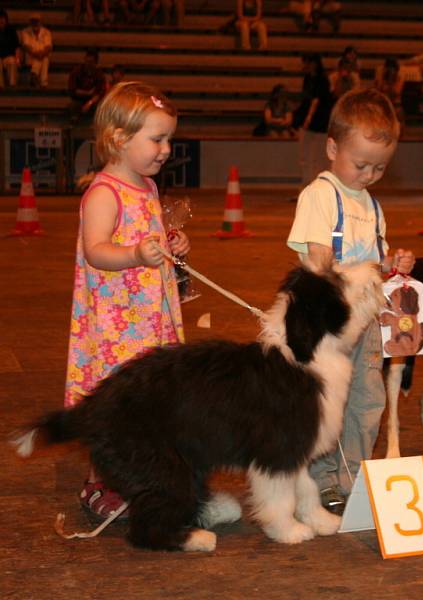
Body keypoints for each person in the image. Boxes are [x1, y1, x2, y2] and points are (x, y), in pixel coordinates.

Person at [65, 81, 190, 520]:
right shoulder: (104, 193)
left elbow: (147, 237)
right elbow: (96, 249)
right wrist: (136, 254)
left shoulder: (147, 188)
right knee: (115, 404)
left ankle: (143, 477)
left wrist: (168, 244)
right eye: (157, 139)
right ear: (119, 139)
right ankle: (98, 484)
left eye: (168, 138)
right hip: (117, 325)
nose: (166, 149)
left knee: (147, 402)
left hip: (149, 319)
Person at [286, 88, 415, 513]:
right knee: (326, 404)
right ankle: (322, 480)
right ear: (331, 148)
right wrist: (326, 264)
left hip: (369, 323)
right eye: (360, 164)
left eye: (379, 167)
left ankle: (355, 479)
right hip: (330, 327)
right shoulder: (319, 196)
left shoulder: (372, 206)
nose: (369, 175)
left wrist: (393, 262)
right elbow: (318, 259)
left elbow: (373, 260)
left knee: (367, 401)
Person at [293, 53, 334, 188]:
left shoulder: (322, 79)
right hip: (308, 123)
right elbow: (307, 99)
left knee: (319, 157)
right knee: (304, 157)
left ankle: (320, 187)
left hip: (320, 122)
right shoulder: (307, 79)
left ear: (314, 63)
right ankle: (305, 186)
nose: (304, 66)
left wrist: (308, 118)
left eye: (307, 62)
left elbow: (316, 101)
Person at [68, 48, 106, 124]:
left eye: (91, 62)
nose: (88, 64)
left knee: (99, 107)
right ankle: (74, 124)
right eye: (87, 61)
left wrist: (89, 103)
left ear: (95, 63)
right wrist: (87, 93)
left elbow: (100, 93)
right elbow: (72, 90)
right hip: (78, 99)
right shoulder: (76, 71)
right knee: (73, 106)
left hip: (93, 101)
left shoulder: (99, 74)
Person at [20, 14, 52, 88]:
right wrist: (37, 54)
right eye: (33, 21)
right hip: (30, 56)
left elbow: (48, 47)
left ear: (40, 22)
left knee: (45, 59)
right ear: (30, 22)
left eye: (37, 21)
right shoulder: (25, 31)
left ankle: (34, 74)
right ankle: (43, 83)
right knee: (44, 59)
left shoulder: (47, 32)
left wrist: (41, 54)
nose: (35, 23)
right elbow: (26, 46)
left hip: (43, 55)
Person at [374, 58, 404, 127]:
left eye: (393, 69)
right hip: (383, 102)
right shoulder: (382, 76)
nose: (391, 71)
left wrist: (391, 81)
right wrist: (383, 79)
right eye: (389, 69)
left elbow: (397, 92)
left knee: (399, 112)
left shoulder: (399, 77)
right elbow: (378, 90)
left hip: (395, 103)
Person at [0, 10, 20, 89]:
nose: (1, 20)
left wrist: (17, 59)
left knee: (12, 61)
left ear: (6, 19)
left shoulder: (11, 30)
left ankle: (12, 85)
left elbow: (16, 46)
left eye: (2, 18)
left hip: (9, 55)